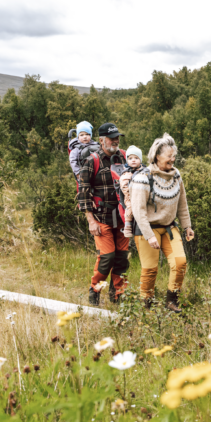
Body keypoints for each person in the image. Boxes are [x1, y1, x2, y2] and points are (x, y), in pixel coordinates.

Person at [130, 133, 195, 312]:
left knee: (180, 263)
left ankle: (171, 301)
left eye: (174, 156)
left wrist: (187, 226)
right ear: (157, 156)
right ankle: (147, 304)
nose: (173, 159)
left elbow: (182, 203)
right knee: (150, 269)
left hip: (169, 227)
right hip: (147, 229)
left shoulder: (176, 175)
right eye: (169, 156)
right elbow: (138, 211)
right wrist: (149, 235)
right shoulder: (143, 178)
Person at [77, 123, 129, 306]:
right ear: (101, 140)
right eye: (111, 138)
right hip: (101, 218)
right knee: (107, 258)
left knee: (121, 258)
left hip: (123, 218)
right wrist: (91, 220)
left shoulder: (124, 157)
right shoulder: (92, 161)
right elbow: (83, 193)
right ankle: (95, 290)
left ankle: (118, 294)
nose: (115, 141)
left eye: (117, 138)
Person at [120, 145, 144, 237]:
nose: (133, 160)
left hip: (142, 194)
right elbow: (124, 186)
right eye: (130, 158)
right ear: (127, 160)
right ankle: (128, 225)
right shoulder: (126, 173)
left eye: (136, 158)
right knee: (130, 206)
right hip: (130, 195)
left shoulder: (145, 171)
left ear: (140, 159)